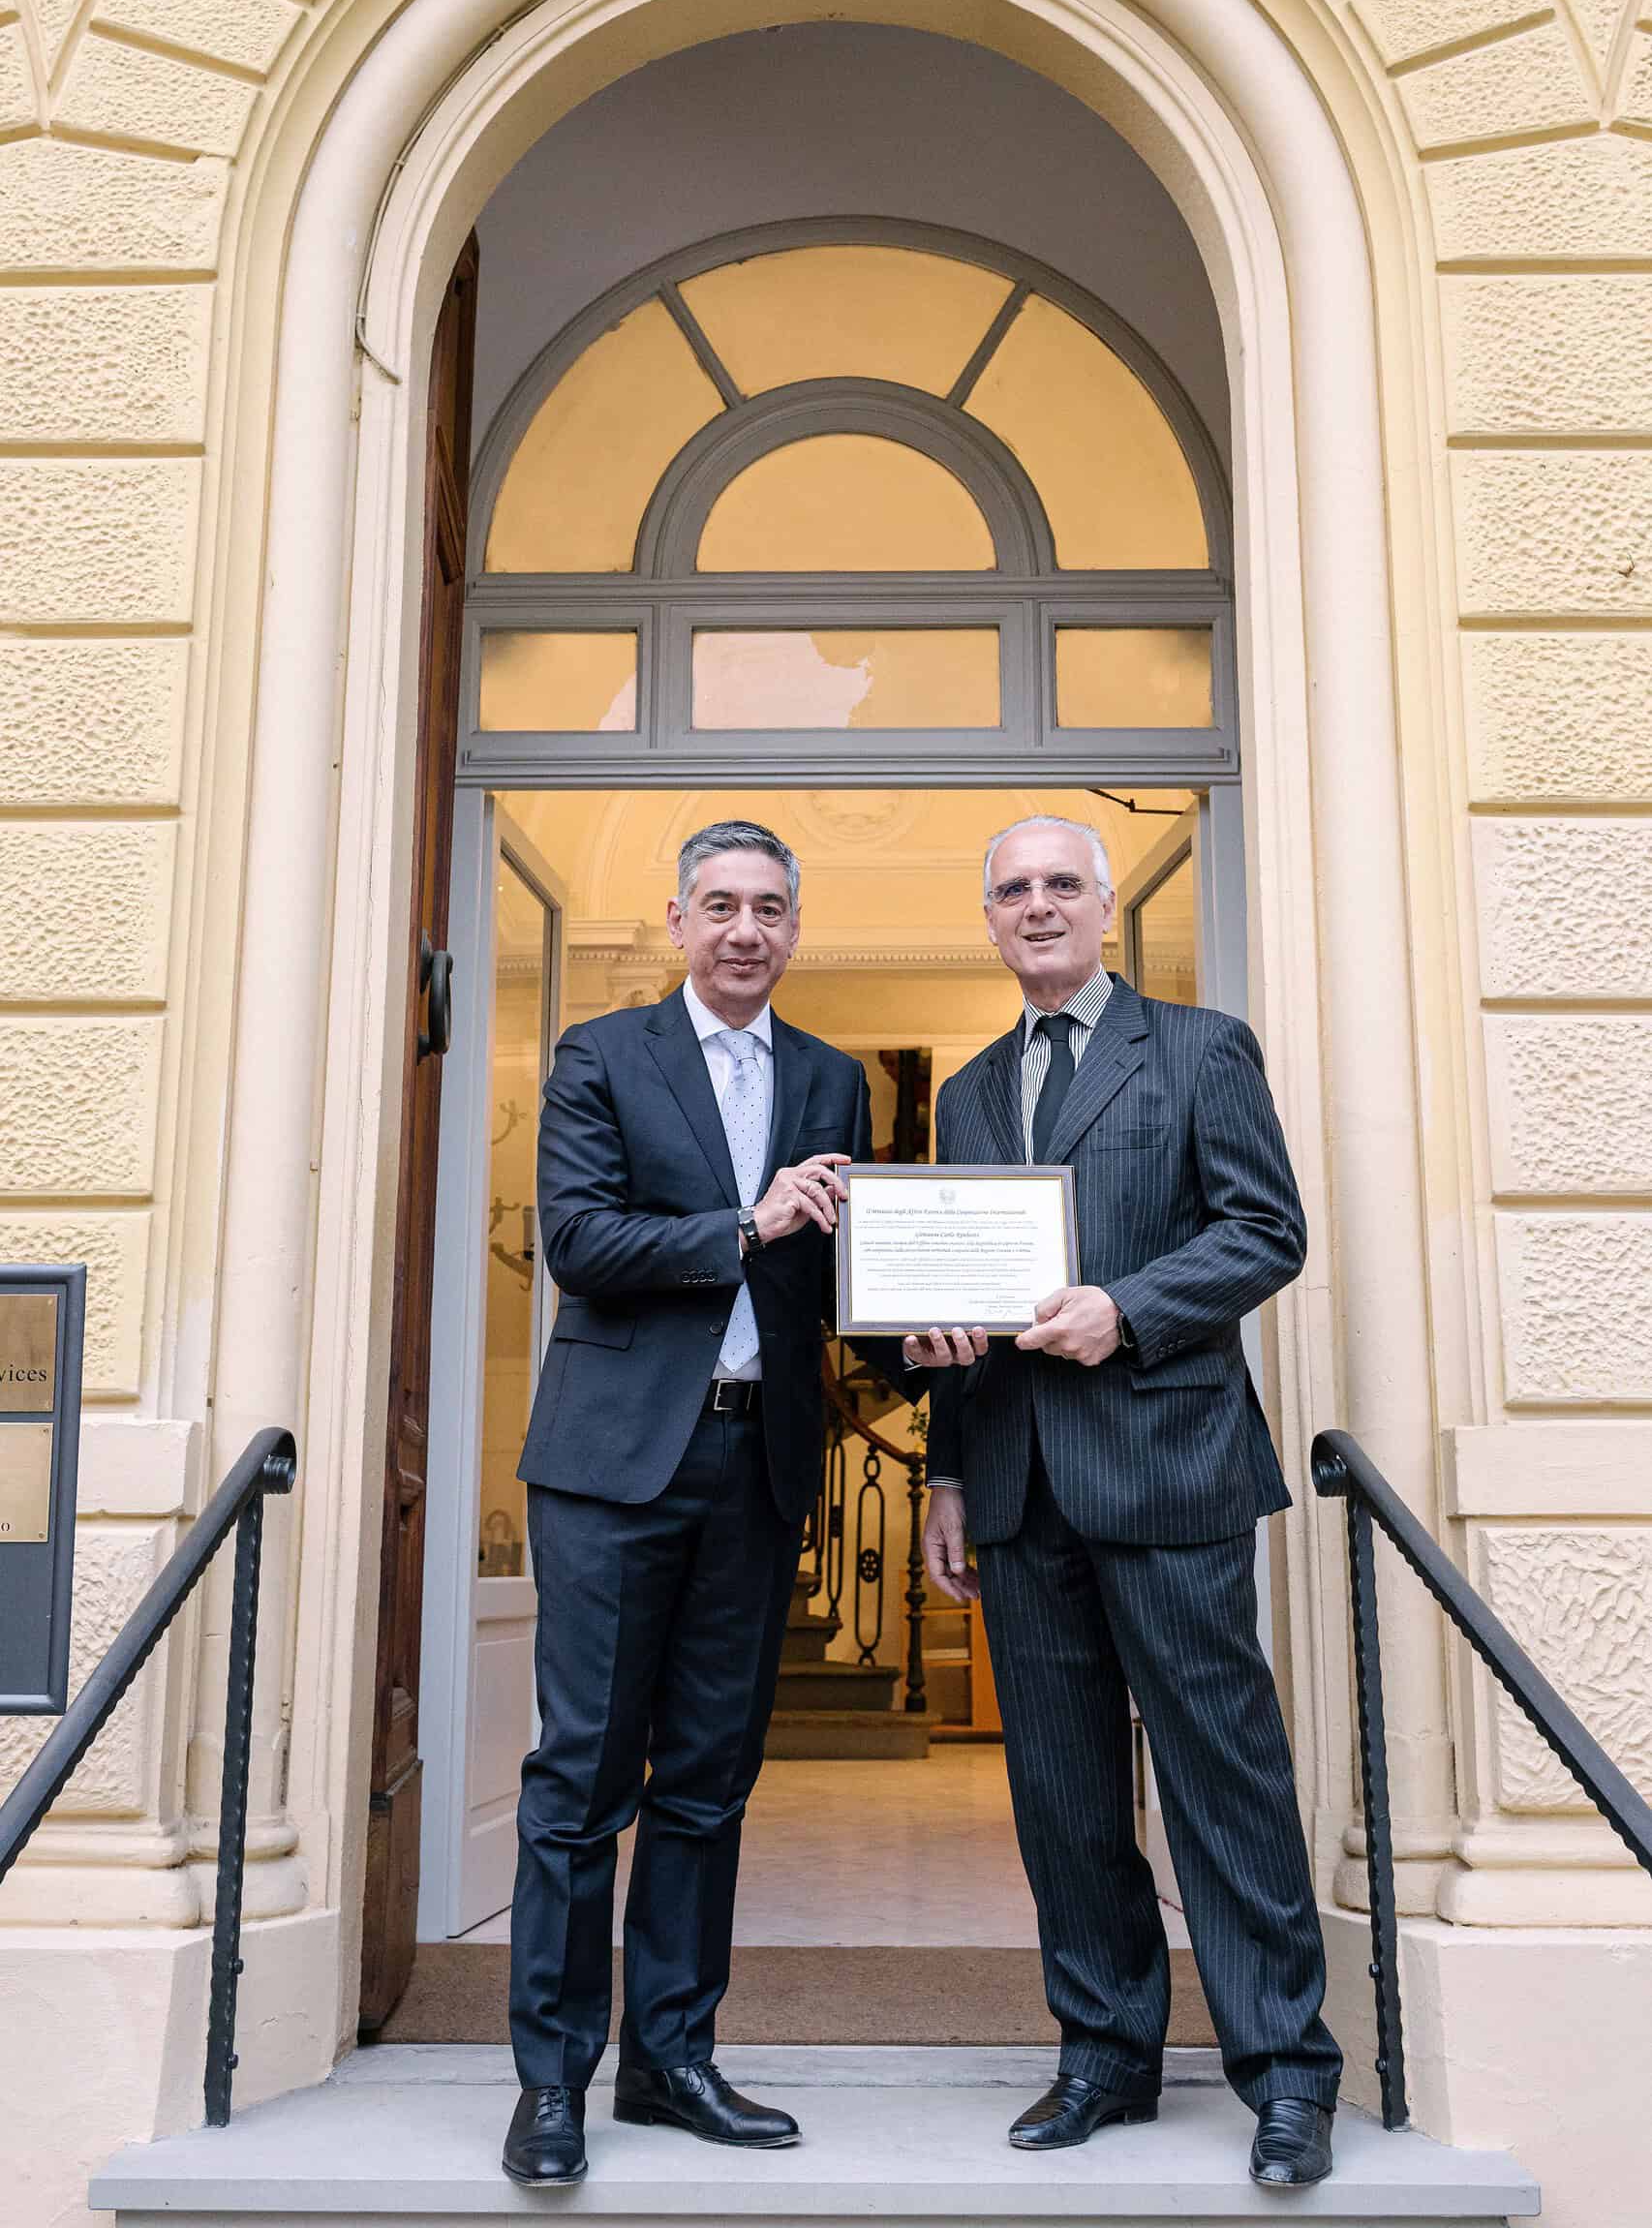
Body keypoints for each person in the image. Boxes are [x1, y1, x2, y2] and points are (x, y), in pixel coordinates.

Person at [503, 817, 973, 2188]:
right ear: (677, 921)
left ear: (795, 928)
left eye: (769, 908)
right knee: (581, 1780)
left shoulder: (829, 1078)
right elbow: (581, 1243)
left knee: (708, 1783)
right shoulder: (601, 1056)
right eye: (719, 906)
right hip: (611, 1466)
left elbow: (830, 1274)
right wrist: (748, 1224)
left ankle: (671, 2062)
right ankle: (551, 2082)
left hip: (756, 1464)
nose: (744, 930)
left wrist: (917, 1331)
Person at [908, 814, 1340, 2190]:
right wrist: (947, 1465)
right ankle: (1105, 2054)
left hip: (1168, 1466)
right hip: (1020, 1486)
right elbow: (963, 1294)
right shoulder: (968, 1091)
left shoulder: (1201, 1049)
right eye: (1011, 890)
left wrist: (1128, 1309)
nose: (1036, 906)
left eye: (1060, 885)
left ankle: (1285, 2073)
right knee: (1062, 1793)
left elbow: (1264, 1230)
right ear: (989, 919)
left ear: (1103, 907)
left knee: (1222, 1776)